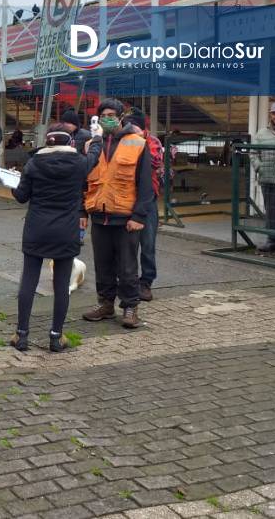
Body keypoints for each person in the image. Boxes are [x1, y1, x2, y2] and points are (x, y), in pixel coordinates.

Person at [11, 124, 102, 352]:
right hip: (65, 230)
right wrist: (98, 138)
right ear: (69, 144)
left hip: (36, 229)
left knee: (29, 282)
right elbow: (93, 157)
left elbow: (22, 197)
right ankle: (56, 336)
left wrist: (12, 182)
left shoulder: (33, 164)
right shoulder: (79, 163)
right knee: (61, 285)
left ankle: (21, 335)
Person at [81, 100, 153, 329]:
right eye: (103, 115)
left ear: (122, 117)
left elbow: (145, 185)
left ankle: (130, 306)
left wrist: (139, 216)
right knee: (102, 265)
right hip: (99, 214)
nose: (107, 118)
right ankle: (105, 304)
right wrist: (80, 210)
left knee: (127, 266)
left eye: (112, 114)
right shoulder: (92, 145)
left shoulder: (138, 143)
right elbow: (82, 180)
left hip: (126, 217)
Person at [123, 107, 164, 301]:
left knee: (148, 244)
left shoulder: (152, 141)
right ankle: (127, 282)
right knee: (126, 245)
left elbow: (156, 162)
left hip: (147, 200)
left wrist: (141, 142)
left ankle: (146, 282)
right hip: (125, 198)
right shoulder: (122, 140)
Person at [251, 101, 275, 253]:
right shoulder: (261, 133)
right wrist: (259, 167)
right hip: (267, 178)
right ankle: (272, 241)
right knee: (271, 211)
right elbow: (253, 153)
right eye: (274, 113)